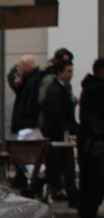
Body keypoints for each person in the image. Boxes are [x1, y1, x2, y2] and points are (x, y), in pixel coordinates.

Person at [40, 57, 78, 205]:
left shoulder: (63, 88)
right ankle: (71, 192)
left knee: (63, 164)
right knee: (65, 164)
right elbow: (57, 113)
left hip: (61, 131)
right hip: (58, 133)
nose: (71, 74)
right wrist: (67, 128)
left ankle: (67, 191)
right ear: (60, 72)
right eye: (68, 71)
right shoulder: (56, 89)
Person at [78, 57, 104, 218]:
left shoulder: (90, 87)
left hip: (89, 140)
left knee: (90, 177)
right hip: (94, 141)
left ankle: (88, 210)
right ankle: (89, 211)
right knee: (94, 177)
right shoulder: (97, 89)